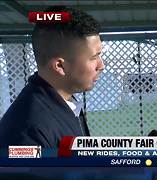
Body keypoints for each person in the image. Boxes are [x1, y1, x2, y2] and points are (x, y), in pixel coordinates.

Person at [0, 6, 105, 148]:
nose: (101, 65)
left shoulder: (64, 105)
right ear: (60, 66)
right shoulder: (30, 131)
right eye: (94, 57)